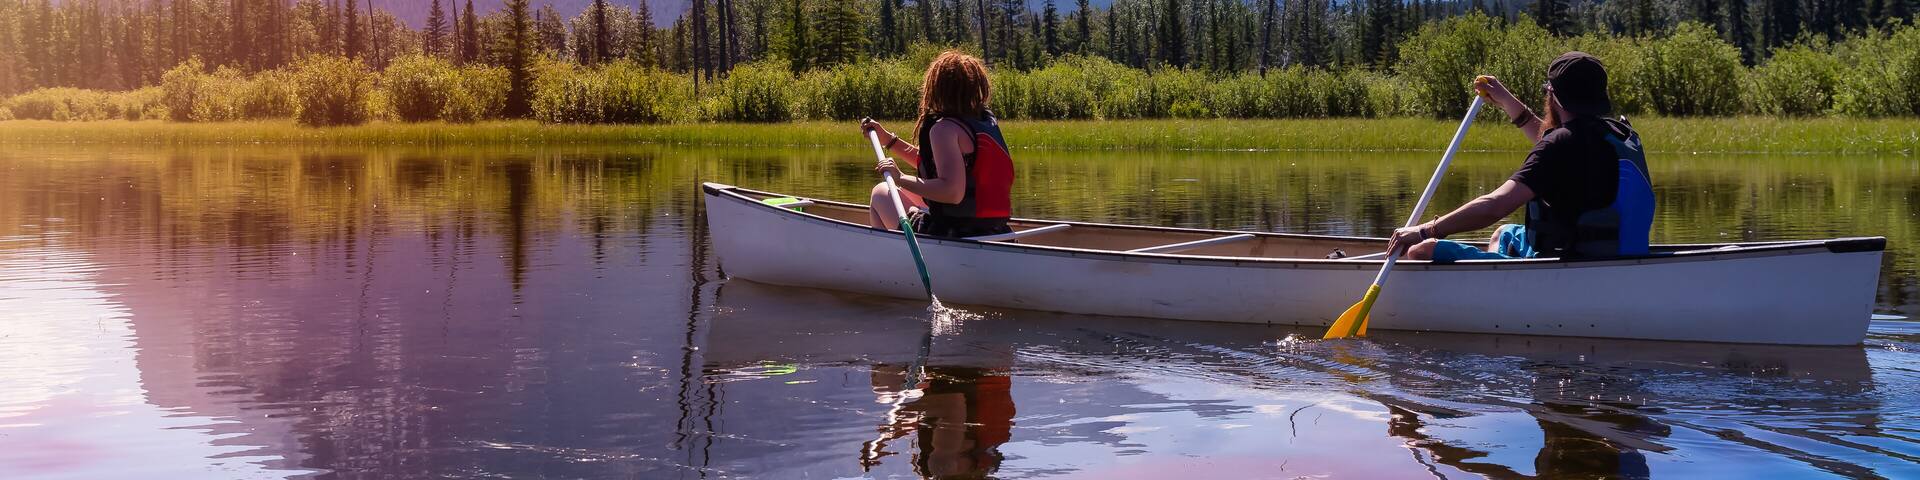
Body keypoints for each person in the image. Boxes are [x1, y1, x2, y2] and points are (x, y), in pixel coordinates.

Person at [1388, 52, 1655, 261]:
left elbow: (1494, 206)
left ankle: (1500, 283)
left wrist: (1424, 231)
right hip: (1622, 253)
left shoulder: (1561, 145)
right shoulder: (1617, 134)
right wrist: (1505, 99)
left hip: (1569, 259)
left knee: (1420, 251)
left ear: (1554, 96)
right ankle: (1498, 276)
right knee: (1505, 234)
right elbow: (1553, 143)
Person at [859, 50, 1016, 238]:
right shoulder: (981, 123)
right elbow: (944, 165)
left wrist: (899, 177)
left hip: (957, 232)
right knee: (907, 194)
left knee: (881, 193)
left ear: (936, 88)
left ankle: (891, 261)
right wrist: (889, 141)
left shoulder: (944, 129)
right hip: (997, 230)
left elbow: (952, 192)